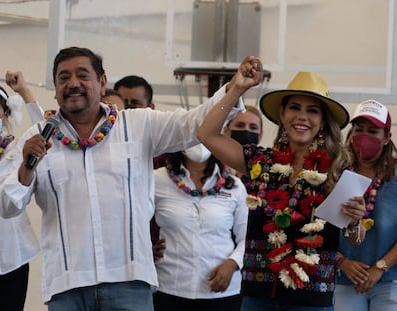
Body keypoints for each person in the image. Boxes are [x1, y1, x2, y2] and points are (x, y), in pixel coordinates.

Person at [0, 47, 261, 310]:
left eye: (82, 75)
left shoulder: (137, 125)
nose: (73, 83)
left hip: (130, 283)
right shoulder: (38, 137)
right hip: (67, 287)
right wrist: (26, 170)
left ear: (102, 82)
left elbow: (193, 125)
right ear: (55, 88)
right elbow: (7, 207)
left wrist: (235, 88)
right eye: (64, 78)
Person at [197, 71, 367, 310]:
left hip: (312, 298)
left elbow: (355, 239)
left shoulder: (338, 168)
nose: (302, 117)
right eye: (295, 108)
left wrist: (353, 222)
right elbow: (206, 134)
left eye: (312, 110)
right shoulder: (260, 161)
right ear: (282, 114)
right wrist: (237, 89)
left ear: (322, 120)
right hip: (258, 295)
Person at [152, 144, 248, 311]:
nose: (199, 143)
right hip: (169, 287)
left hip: (222, 292)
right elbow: (133, 221)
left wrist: (232, 264)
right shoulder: (155, 180)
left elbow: (247, 237)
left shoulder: (235, 186)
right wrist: (145, 251)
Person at [335, 99, 397, 311]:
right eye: (359, 129)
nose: (364, 136)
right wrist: (343, 262)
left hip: (389, 280)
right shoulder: (334, 172)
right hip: (343, 280)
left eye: (373, 131)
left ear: (387, 137)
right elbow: (317, 227)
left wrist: (380, 268)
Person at [0, 81, 40, 311]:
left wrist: (25, 92)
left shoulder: (16, 149)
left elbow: (48, 134)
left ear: (6, 114)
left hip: (11, 260)